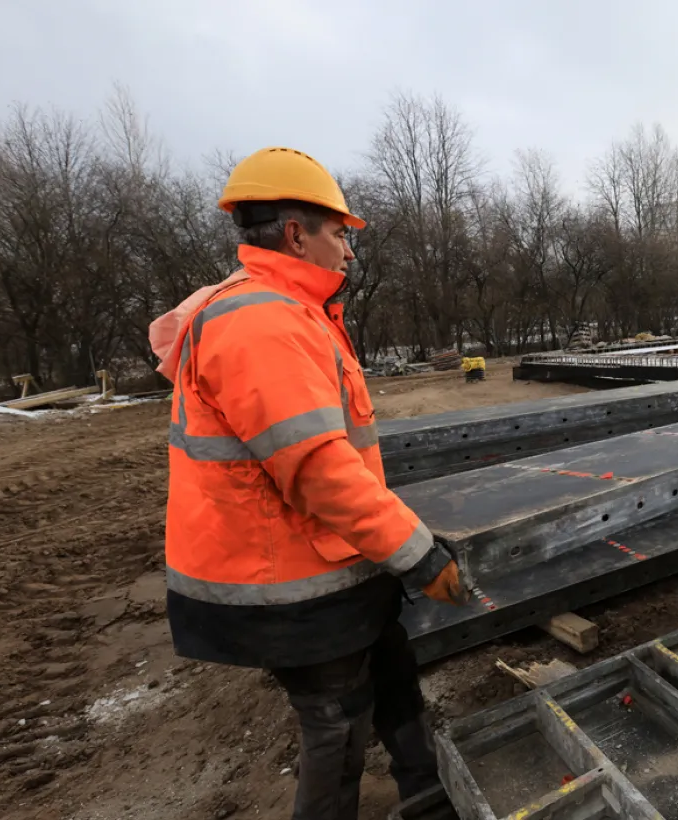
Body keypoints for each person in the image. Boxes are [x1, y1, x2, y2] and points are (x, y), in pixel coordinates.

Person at [153, 146, 468, 820]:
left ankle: (430, 797)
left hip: (328, 559)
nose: (349, 251)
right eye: (340, 233)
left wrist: (389, 550)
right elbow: (319, 468)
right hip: (287, 583)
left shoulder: (289, 310)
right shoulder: (262, 322)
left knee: (392, 669)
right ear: (297, 234)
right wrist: (417, 555)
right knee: (336, 721)